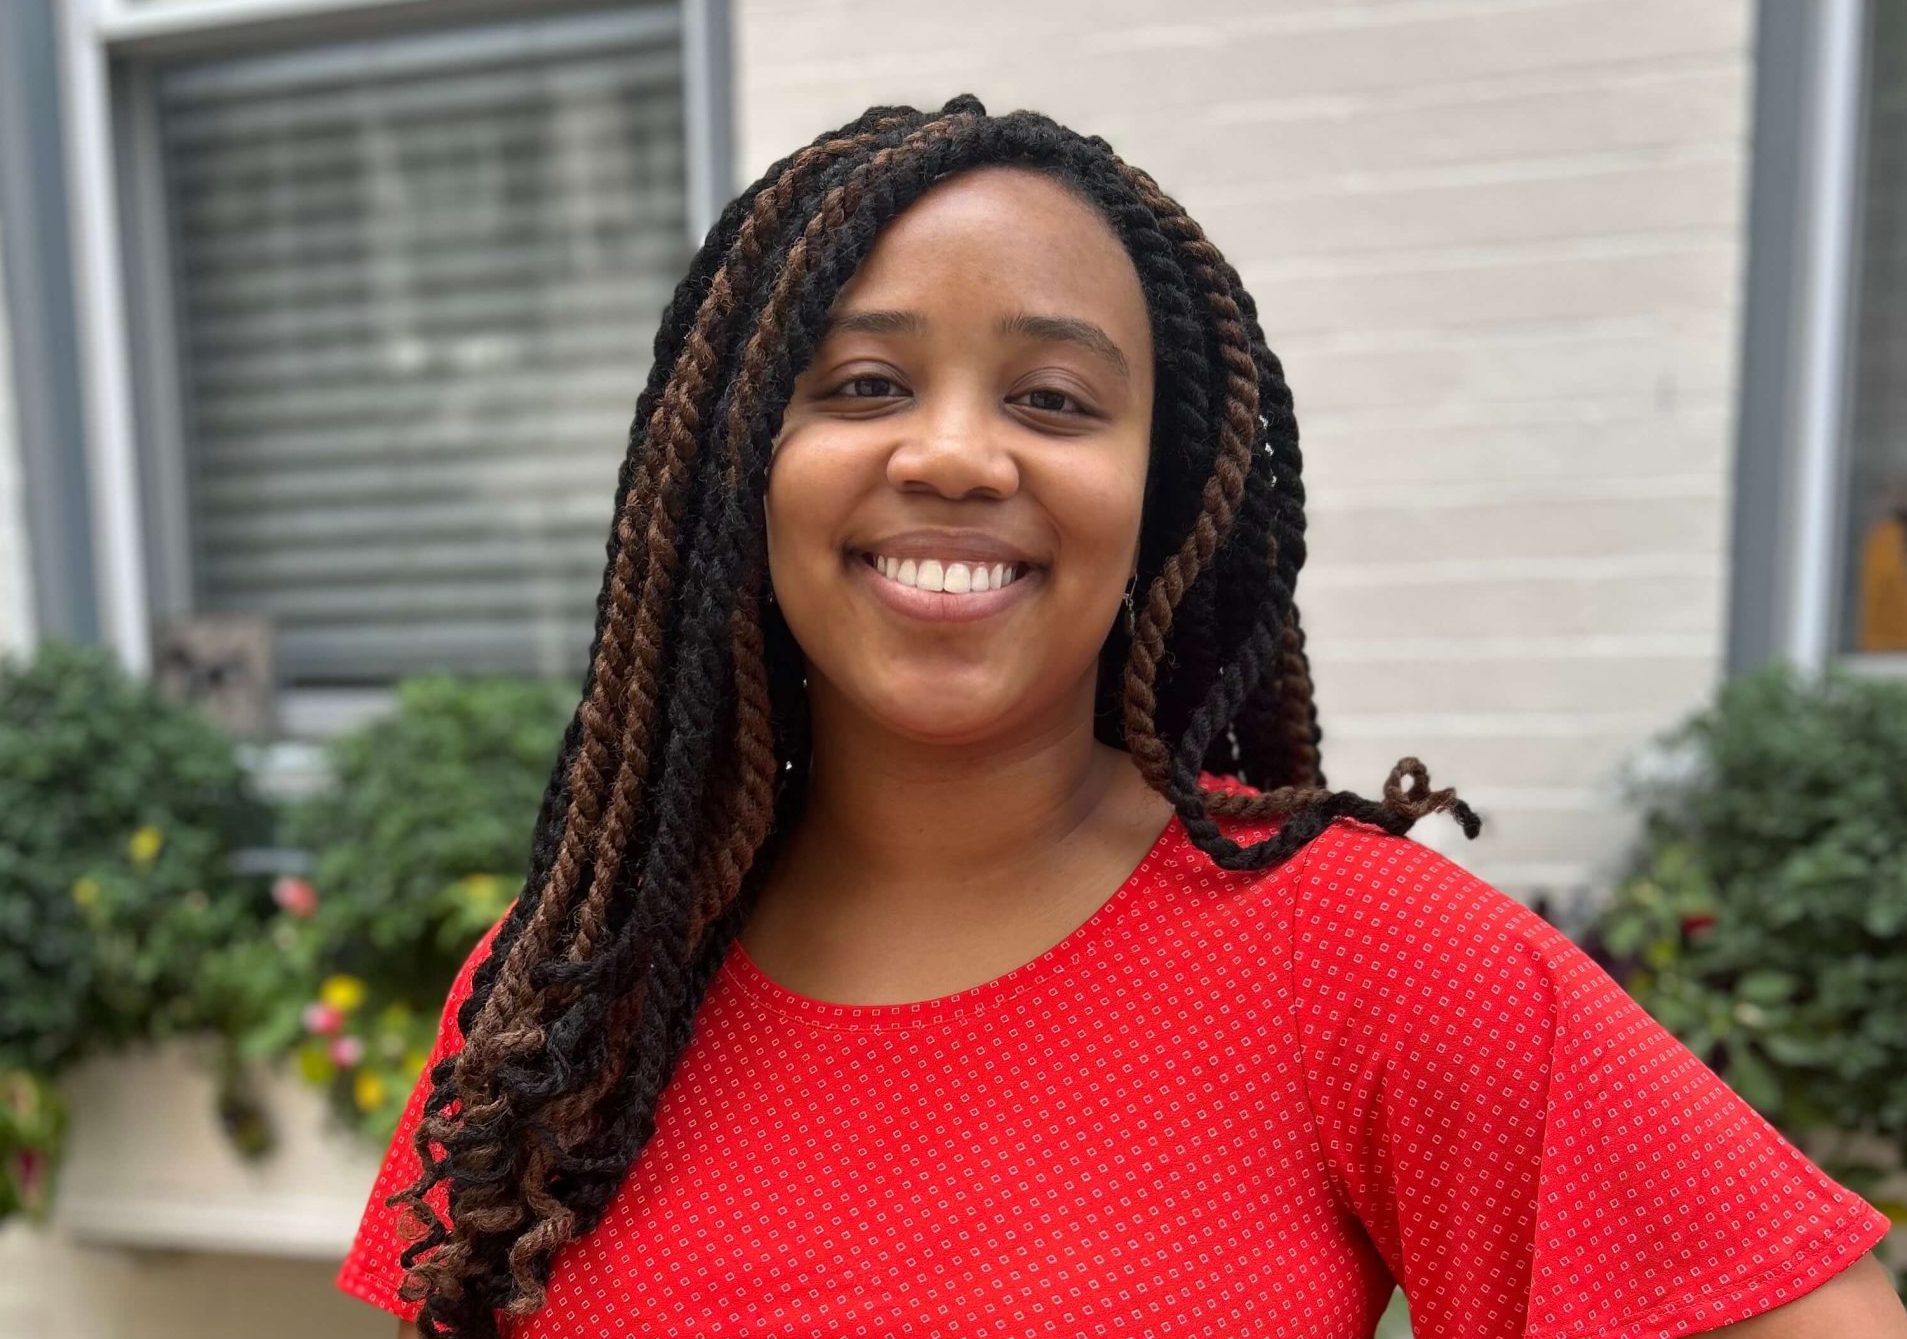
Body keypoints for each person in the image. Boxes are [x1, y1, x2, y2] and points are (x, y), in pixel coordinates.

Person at [334, 95, 1903, 1338]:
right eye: (865, 384)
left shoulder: (1346, 955)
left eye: (1054, 400)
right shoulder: (567, 993)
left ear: (1164, 502)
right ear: (735, 469)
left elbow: (1805, 1313)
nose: (955, 454)